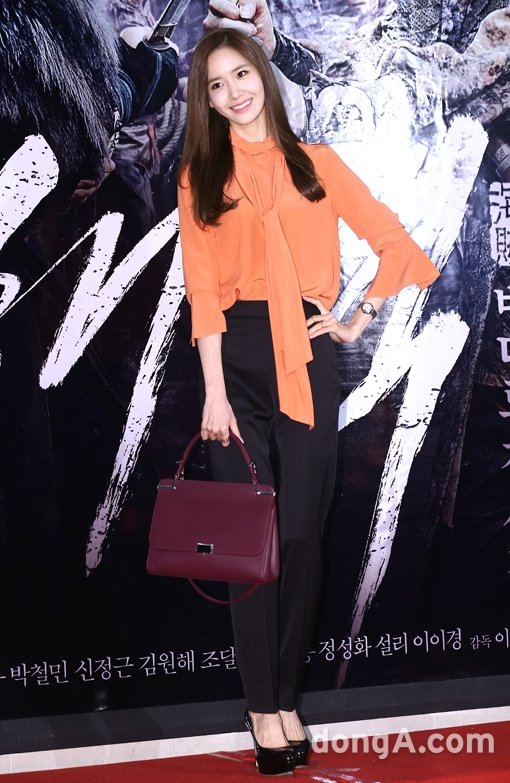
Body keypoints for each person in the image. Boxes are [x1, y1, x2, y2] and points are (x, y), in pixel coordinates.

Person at [177, 28, 439, 775]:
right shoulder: (201, 176)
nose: (233, 92)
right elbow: (202, 292)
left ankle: (287, 694)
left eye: (240, 74)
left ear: (263, 74)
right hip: (235, 363)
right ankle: (262, 706)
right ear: (207, 102)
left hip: (308, 353)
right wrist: (215, 393)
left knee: (299, 537)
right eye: (216, 85)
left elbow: (393, 242)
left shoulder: (317, 165)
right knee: (248, 546)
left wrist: (355, 318)